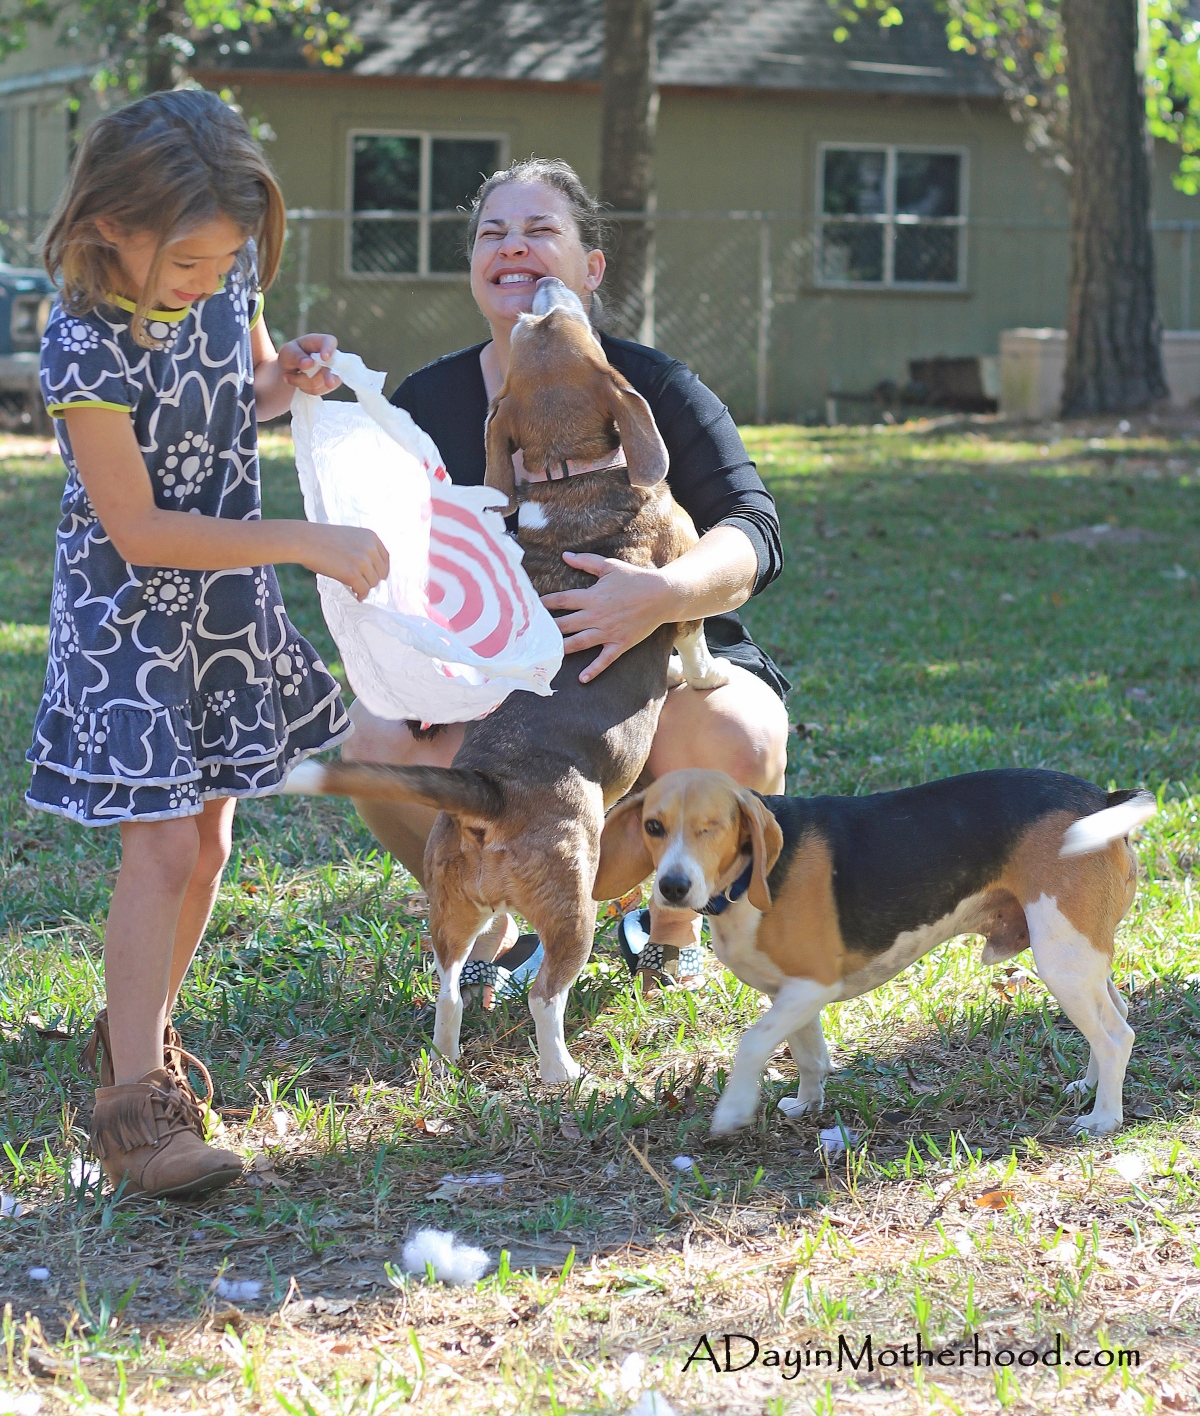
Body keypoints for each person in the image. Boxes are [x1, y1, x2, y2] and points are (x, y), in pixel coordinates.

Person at [29, 90, 388, 1200]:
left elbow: (254, 389)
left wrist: (297, 377)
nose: (209, 279)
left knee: (214, 842)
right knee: (164, 849)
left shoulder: (227, 284)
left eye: (227, 259)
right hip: (131, 616)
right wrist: (303, 542)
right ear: (109, 229)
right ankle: (133, 1111)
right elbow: (136, 526)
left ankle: (141, 1040)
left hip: (220, 612)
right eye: (186, 260)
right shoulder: (83, 341)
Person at [345, 156, 790, 995]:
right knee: (373, 737)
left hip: (660, 661)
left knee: (743, 738)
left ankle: (670, 933)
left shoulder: (649, 385)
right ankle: (491, 936)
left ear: (591, 268)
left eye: (540, 229)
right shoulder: (426, 402)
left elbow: (755, 531)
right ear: (474, 267)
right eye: (492, 232)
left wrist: (660, 596)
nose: (513, 246)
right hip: (503, 681)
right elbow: (395, 561)